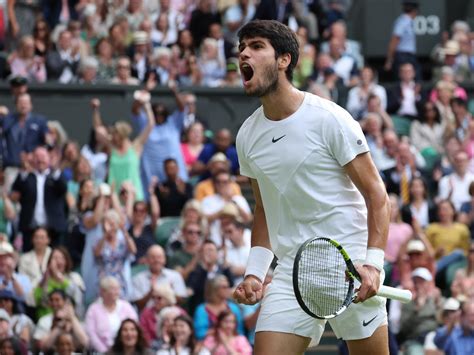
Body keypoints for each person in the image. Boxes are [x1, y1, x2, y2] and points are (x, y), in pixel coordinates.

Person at [233, 20, 391, 354]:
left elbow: (377, 194)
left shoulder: (329, 118)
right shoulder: (247, 136)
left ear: (284, 60)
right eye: (241, 48)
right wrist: (254, 273)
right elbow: (264, 209)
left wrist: (373, 265)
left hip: (352, 266)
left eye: (256, 46)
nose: (244, 53)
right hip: (293, 270)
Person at [85, 276, 138, 353]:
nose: (117, 292)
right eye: (113, 289)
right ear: (103, 291)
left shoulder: (126, 306)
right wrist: (106, 352)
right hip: (101, 351)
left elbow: (135, 326)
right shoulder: (93, 309)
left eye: (118, 289)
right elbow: (91, 334)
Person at [384, 0, 420, 80]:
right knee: (402, 79)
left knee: (416, 78)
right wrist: (389, 60)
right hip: (402, 56)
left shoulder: (410, 21)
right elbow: (394, 40)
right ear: (415, 11)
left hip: (410, 56)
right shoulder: (402, 21)